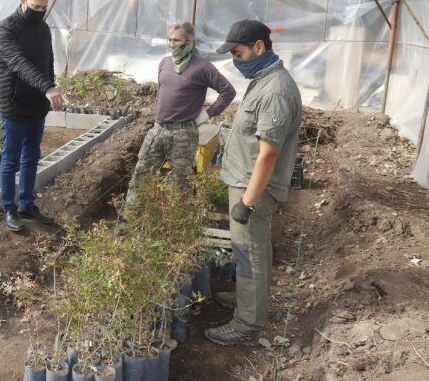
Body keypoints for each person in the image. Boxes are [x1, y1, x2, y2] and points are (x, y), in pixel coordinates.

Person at [205, 19, 302, 345]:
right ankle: (250, 299)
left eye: (238, 52)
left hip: (254, 190)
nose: (236, 59)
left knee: (250, 254)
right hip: (246, 183)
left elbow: (268, 154)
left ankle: (247, 323)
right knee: (251, 250)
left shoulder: (276, 90)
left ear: (259, 47)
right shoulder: (264, 80)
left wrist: (247, 202)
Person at [125, 22, 236, 204]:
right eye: (169, 40)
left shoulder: (202, 67)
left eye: (176, 40)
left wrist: (207, 115)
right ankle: (129, 220)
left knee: (180, 183)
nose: (171, 44)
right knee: (141, 174)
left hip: (183, 134)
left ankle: (178, 225)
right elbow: (161, 93)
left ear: (189, 41)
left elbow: (228, 92)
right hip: (159, 129)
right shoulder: (165, 63)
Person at [0, 0, 64, 232]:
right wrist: (47, 87)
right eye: (36, 6)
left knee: (32, 156)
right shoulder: (5, 30)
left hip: (37, 106)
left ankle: (27, 203)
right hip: (14, 104)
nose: (40, 11)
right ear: (22, 0)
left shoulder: (43, 29)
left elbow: (48, 61)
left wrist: (51, 88)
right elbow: (18, 63)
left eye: (44, 8)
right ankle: (9, 208)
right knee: (11, 158)